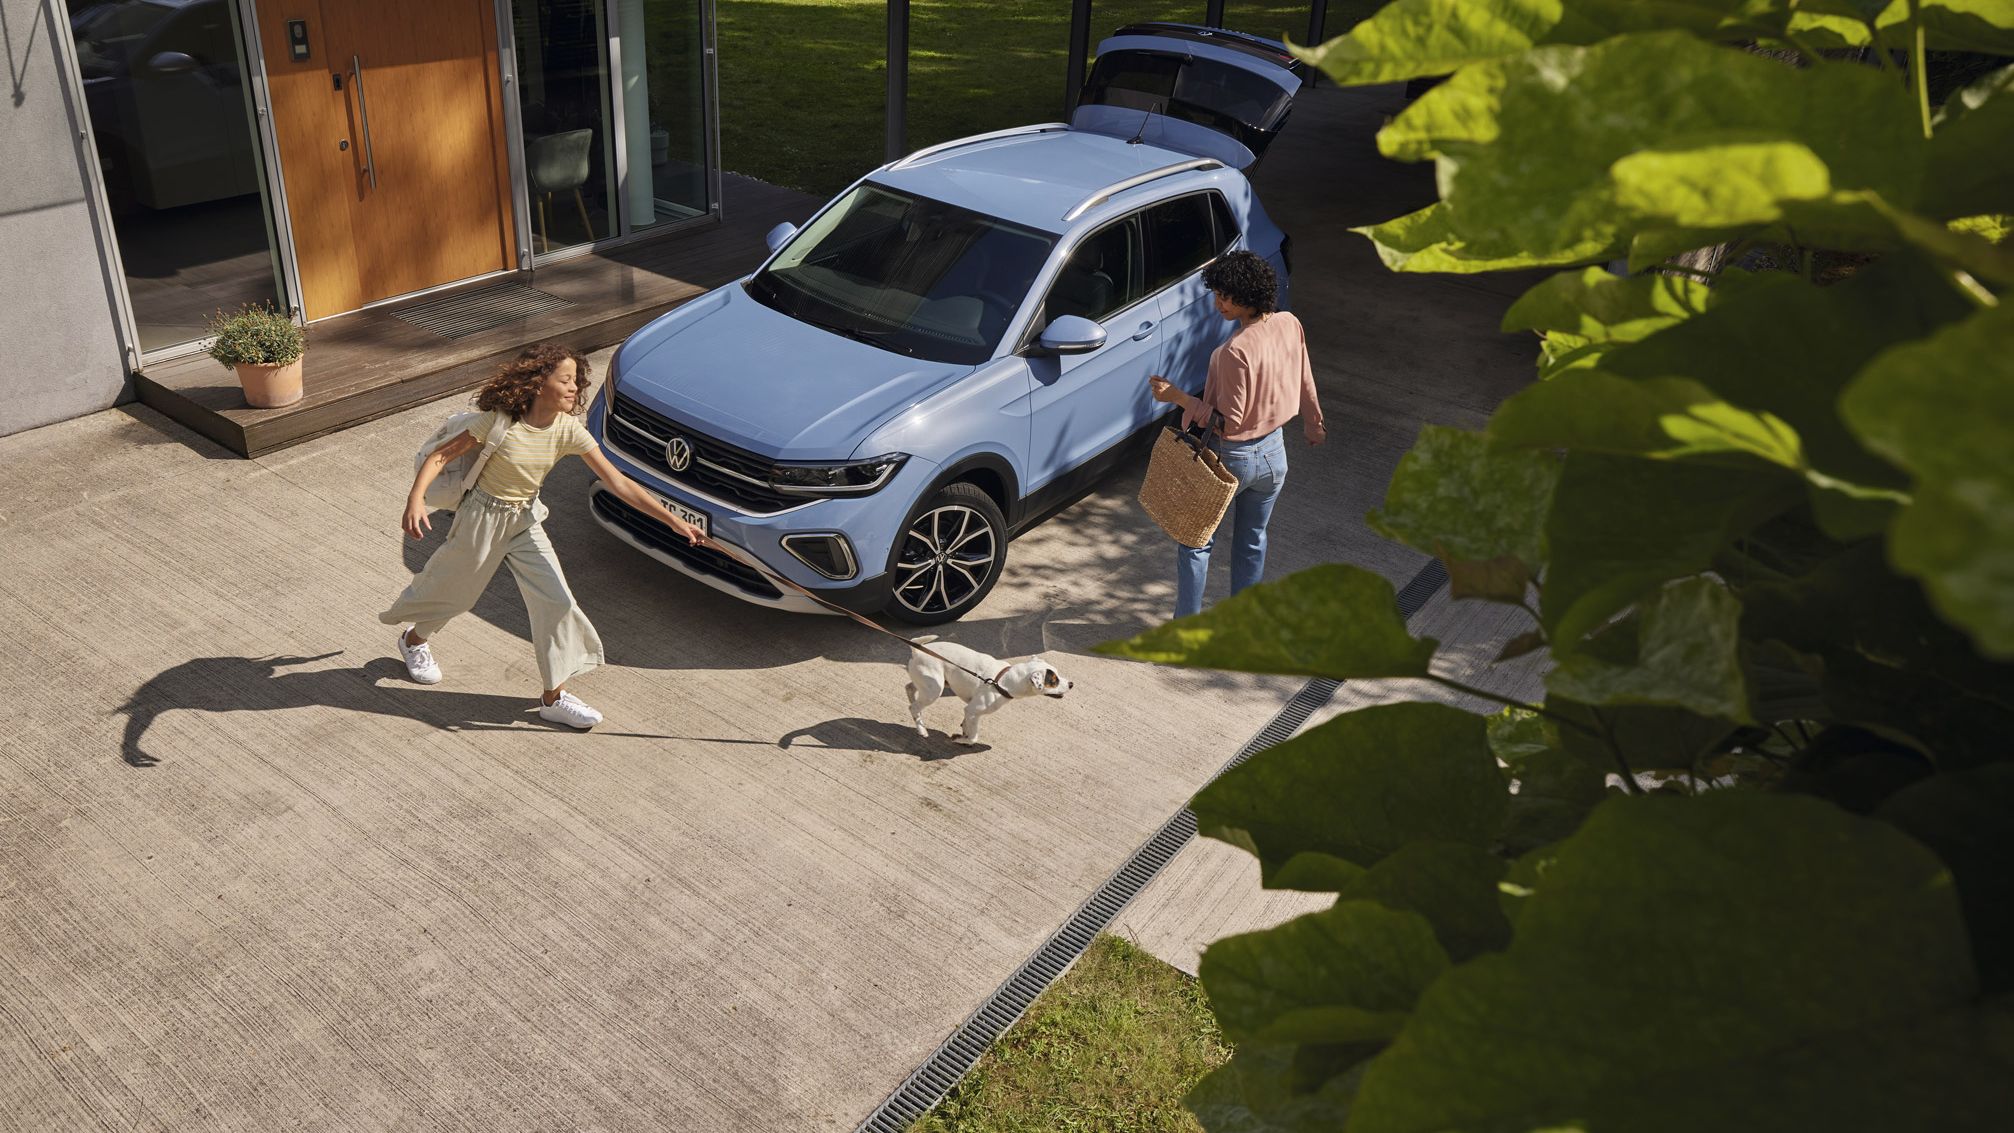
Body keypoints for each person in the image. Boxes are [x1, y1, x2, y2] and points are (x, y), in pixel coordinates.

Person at [382, 342, 703, 729]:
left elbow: (617, 482)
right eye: (565, 380)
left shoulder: (567, 431)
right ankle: (414, 640)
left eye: (576, 382)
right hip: (482, 517)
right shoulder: (500, 423)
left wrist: (670, 519)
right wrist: (415, 500)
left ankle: (554, 697)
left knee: (556, 600)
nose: (574, 388)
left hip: (525, 521)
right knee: (455, 593)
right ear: (538, 383)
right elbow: (439, 457)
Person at [1148, 250, 1326, 619]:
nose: (1218, 304)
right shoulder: (1290, 323)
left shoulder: (1232, 353)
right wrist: (1313, 423)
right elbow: (1304, 376)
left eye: (1226, 296)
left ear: (1248, 294)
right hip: (1275, 456)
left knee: (1195, 543)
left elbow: (1229, 422)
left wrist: (1177, 397)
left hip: (1232, 460)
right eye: (1216, 294)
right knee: (1252, 540)